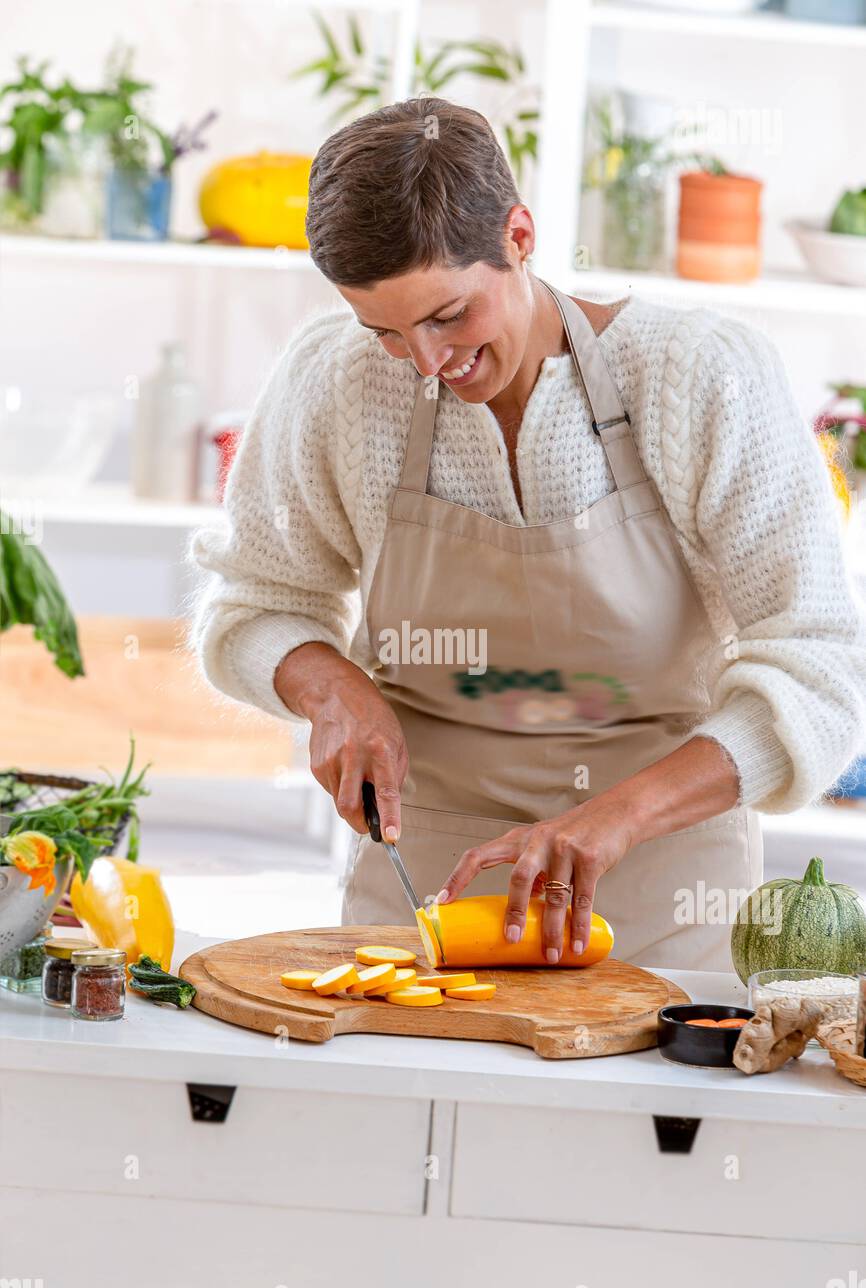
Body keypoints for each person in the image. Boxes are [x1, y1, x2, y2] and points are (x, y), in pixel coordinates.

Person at [192, 97, 866, 969]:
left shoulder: (701, 376)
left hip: (666, 903)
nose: (428, 363)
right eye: (387, 331)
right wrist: (329, 687)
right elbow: (252, 605)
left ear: (519, 235)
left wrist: (614, 817)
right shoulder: (337, 381)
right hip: (419, 902)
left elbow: (820, 673)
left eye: (448, 316)